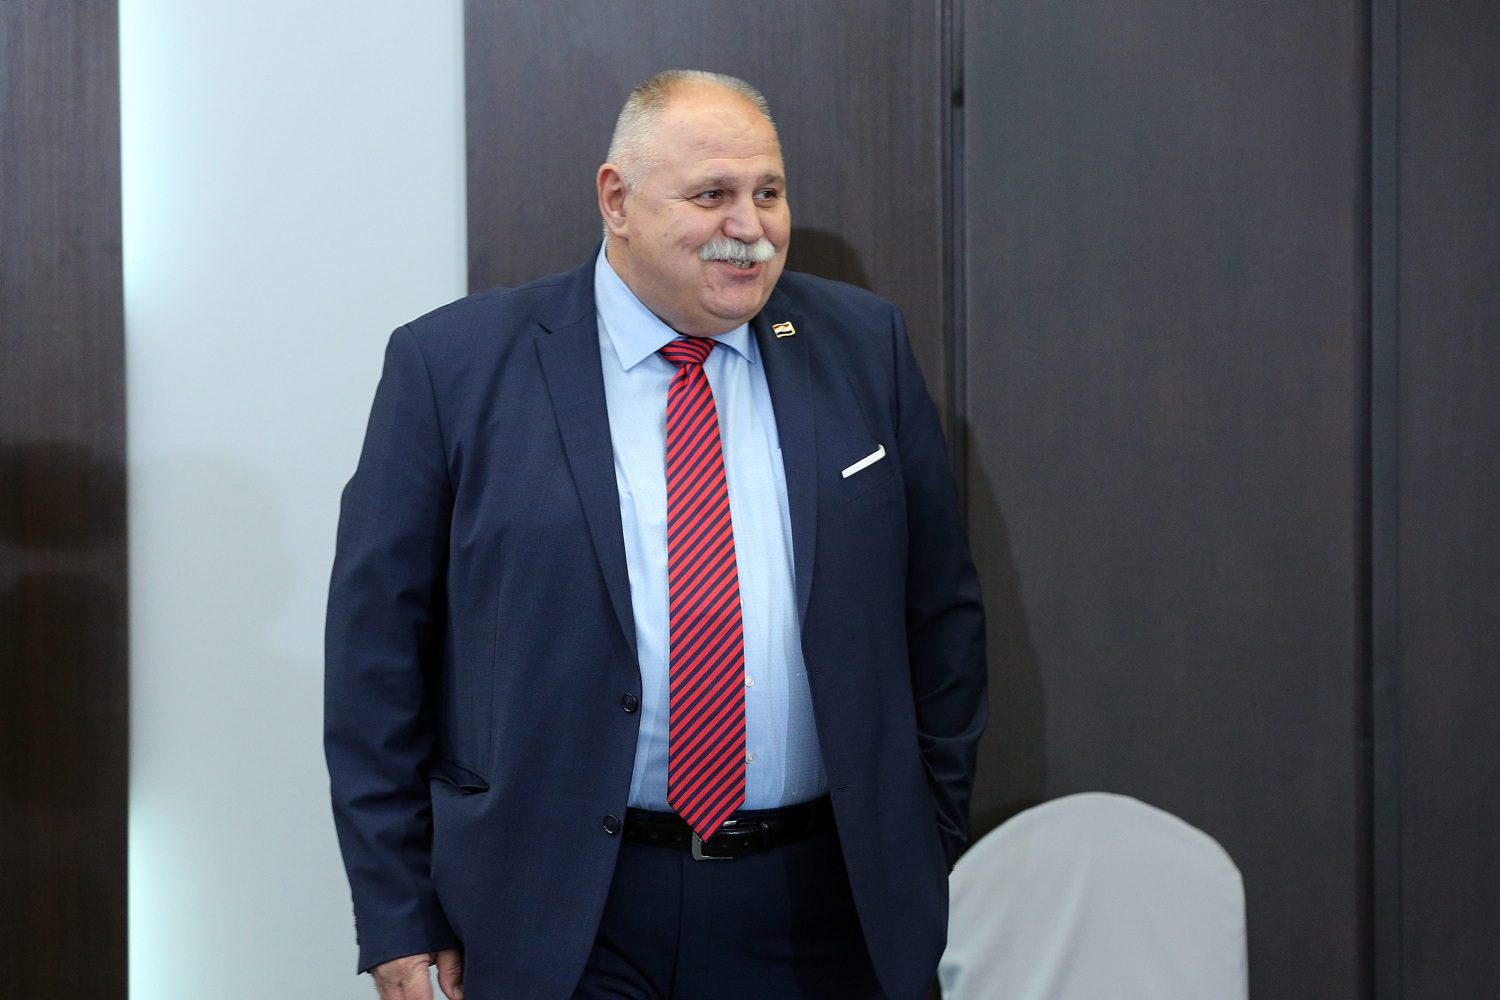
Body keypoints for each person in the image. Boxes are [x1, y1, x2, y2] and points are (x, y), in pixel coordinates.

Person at [325, 69, 987, 1000]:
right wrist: (397, 908)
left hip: (824, 905)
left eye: (768, 192)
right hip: (562, 910)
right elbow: (376, 659)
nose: (750, 226)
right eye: (711, 195)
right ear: (617, 200)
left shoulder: (863, 344)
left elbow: (942, 616)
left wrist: (921, 838)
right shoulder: (453, 366)